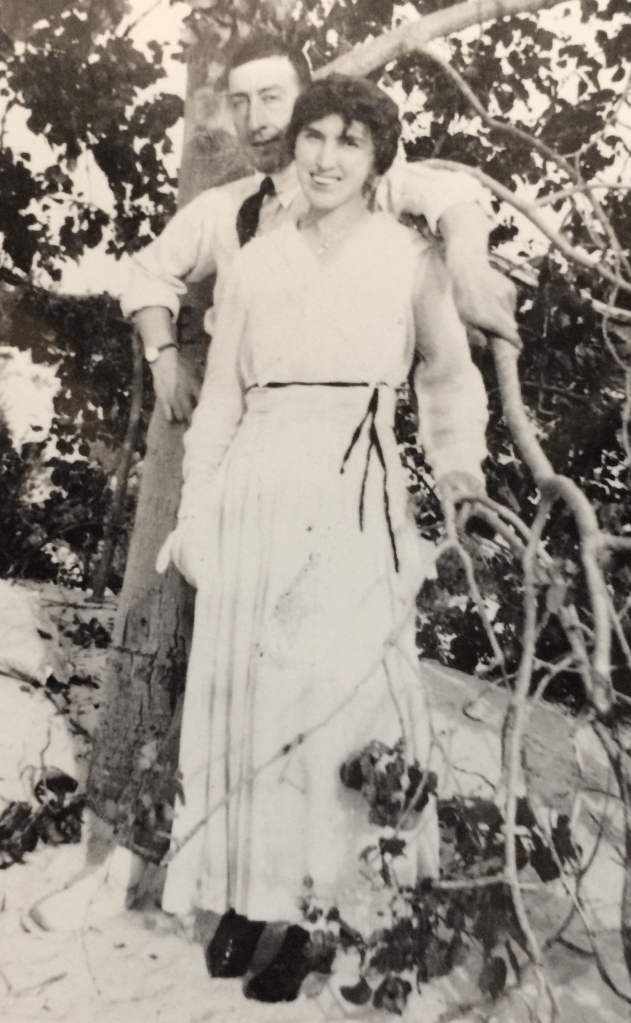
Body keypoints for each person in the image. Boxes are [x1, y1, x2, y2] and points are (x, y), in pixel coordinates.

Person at [156, 73, 489, 1004]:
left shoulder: (410, 260)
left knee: (335, 700)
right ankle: (243, 891)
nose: (326, 156)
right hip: (258, 489)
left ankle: (315, 912)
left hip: (353, 489)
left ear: (378, 160)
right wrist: (196, 514)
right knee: (248, 694)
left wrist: (459, 475)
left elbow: (448, 381)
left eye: (350, 140)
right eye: (313, 136)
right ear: (293, 145)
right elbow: (221, 401)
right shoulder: (255, 262)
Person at [122, 32, 518, 425]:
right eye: (240, 102)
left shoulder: (354, 182)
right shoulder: (227, 206)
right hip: (236, 424)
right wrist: (163, 358)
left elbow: (452, 193)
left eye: (271, 98)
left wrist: (469, 271)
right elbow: (148, 273)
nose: (254, 121)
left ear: (305, 103)